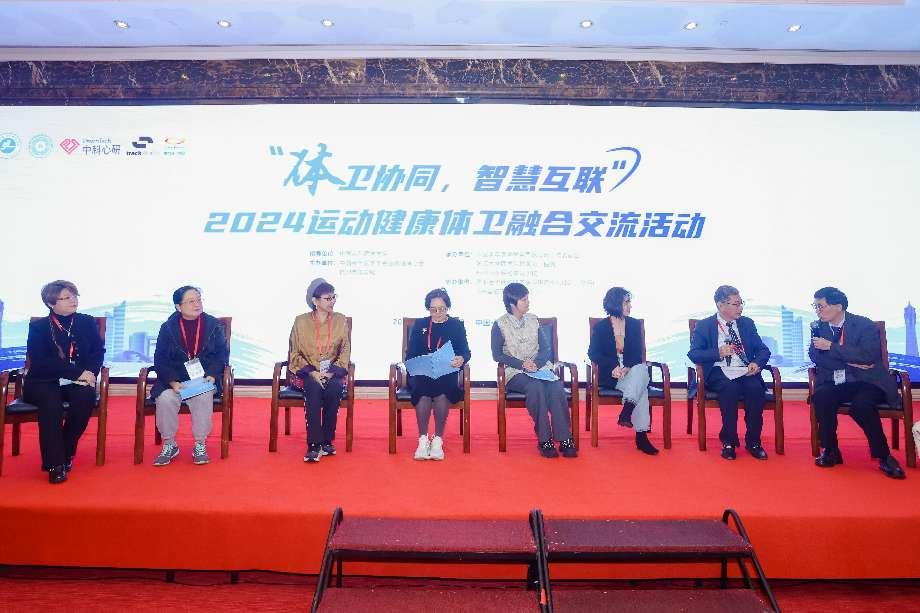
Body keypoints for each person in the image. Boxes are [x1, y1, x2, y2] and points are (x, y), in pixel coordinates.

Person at [809, 287, 905, 479]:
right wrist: (851, 359)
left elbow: (869, 356)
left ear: (838, 306)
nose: (817, 311)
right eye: (815, 306)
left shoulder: (864, 325)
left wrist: (832, 347)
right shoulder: (818, 326)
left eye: (821, 306)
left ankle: (884, 457)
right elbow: (816, 357)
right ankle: (831, 450)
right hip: (837, 379)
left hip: (868, 380)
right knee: (822, 397)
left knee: (862, 405)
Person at [23, 280, 104, 484]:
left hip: (78, 381)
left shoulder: (86, 322)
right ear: (51, 303)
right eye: (66, 297)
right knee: (51, 402)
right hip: (42, 381)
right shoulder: (39, 327)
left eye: (74, 296)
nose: (73, 300)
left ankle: (66, 451)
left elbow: (97, 352)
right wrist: (78, 373)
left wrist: (90, 374)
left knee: (85, 397)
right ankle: (55, 464)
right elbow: (40, 362)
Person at [491, 283, 576, 458]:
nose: (528, 302)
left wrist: (536, 363)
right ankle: (545, 439)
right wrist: (522, 364)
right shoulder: (499, 324)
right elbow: (497, 355)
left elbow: (545, 349)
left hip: (539, 368)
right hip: (515, 371)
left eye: (527, 298)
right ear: (512, 303)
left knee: (556, 387)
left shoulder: (533, 320)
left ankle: (565, 438)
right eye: (524, 299)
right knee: (535, 387)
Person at [687, 285, 771, 461]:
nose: (740, 308)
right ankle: (729, 442)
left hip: (744, 369)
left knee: (755, 389)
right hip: (718, 370)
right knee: (729, 389)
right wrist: (717, 352)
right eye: (736, 304)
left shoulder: (747, 323)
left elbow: (763, 350)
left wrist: (756, 363)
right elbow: (694, 354)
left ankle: (754, 442)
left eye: (741, 303)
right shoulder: (705, 325)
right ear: (720, 305)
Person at [150, 286, 229, 467]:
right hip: (175, 380)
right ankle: (170, 444)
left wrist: (212, 374)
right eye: (191, 301)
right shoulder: (168, 328)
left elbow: (222, 354)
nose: (197, 304)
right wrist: (172, 381)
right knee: (165, 398)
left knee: (203, 395)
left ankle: (200, 444)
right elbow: (160, 359)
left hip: (203, 378)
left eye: (199, 300)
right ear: (178, 306)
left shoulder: (213, 325)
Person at [588, 287, 658, 455]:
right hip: (610, 375)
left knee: (640, 370)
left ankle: (627, 410)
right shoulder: (601, 327)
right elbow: (593, 353)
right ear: (615, 304)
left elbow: (637, 354)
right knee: (641, 387)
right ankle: (641, 437)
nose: (630, 306)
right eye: (626, 302)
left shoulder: (634, 324)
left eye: (629, 302)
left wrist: (627, 368)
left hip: (630, 371)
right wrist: (613, 368)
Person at [288, 278, 351, 463]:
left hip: (332, 371)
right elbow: (294, 352)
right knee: (313, 388)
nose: (332, 301)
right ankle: (314, 444)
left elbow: (345, 349)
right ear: (315, 301)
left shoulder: (340, 319)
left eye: (333, 297)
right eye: (327, 298)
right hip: (308, 372)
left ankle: (327, 440)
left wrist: (331, 372)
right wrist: (313, 372)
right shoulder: (301, 321)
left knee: (334, 388)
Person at [405, 288, 471, 461]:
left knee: (443, 389)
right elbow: (410, 354)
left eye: (442, 309)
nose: (438, 313)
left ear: (448, 307)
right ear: (428, 309)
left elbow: (466, 352)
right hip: (422, 372)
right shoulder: (420, 325)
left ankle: (437, 440)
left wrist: (461, 359)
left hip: (446, 371)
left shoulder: (456, 325)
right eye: (433, 309)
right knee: (422, 387)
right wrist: (421, 361)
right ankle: (423, 440)